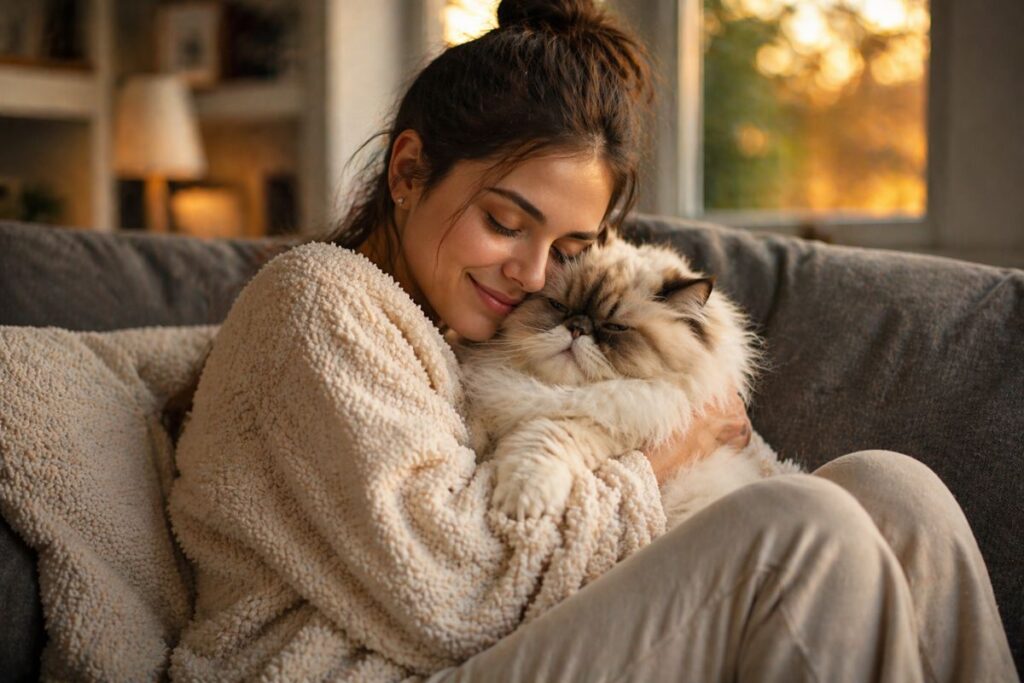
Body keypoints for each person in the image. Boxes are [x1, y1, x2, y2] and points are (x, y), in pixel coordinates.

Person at [169, 1, 1018, 681]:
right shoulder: (321, 300)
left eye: (570, 251)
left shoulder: (483, 323)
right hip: (370, 663)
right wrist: (661, 455)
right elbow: (449, 591)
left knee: (893, 490)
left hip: (493, 634)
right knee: (801, 533)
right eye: (506, 221)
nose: (535, 274)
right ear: (406, 171)